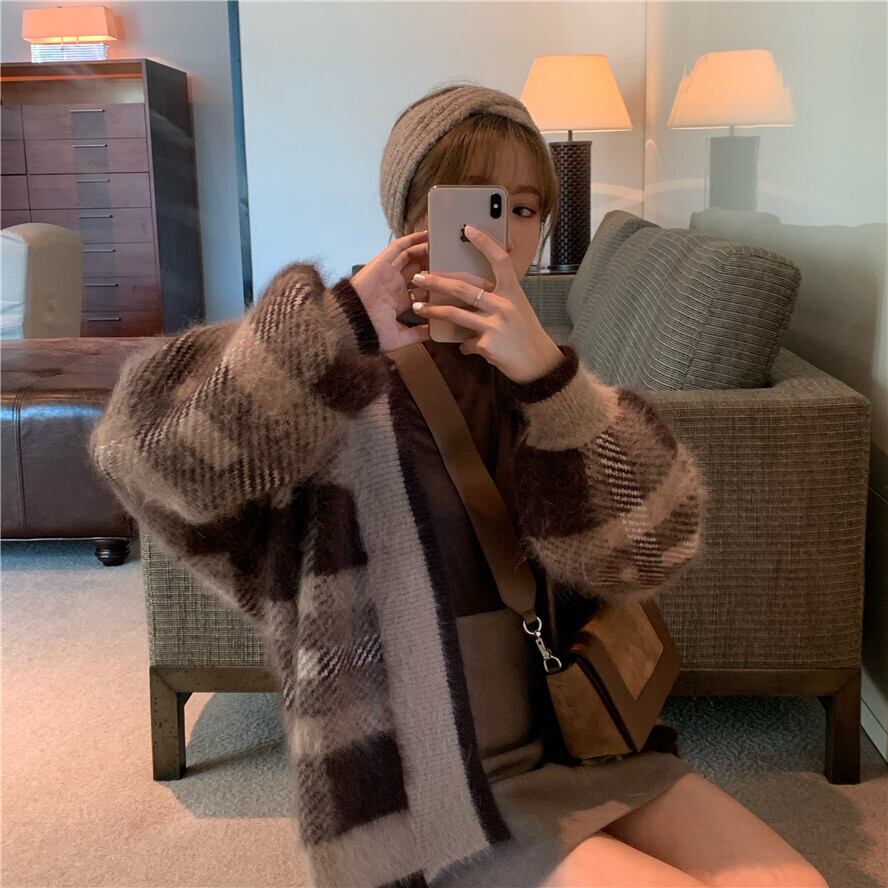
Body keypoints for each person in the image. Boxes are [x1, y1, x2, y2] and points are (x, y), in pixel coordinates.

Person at [90, 82, 829, 888]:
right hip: (421, 798)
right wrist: (341, 322)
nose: (496, 234)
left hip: (582, 743)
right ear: (409, 215)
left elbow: (657, 553)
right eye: (470, 204)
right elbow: (147, 458)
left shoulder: (542, 380)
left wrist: (551, 383)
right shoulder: (324, 382)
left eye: (523, 208)